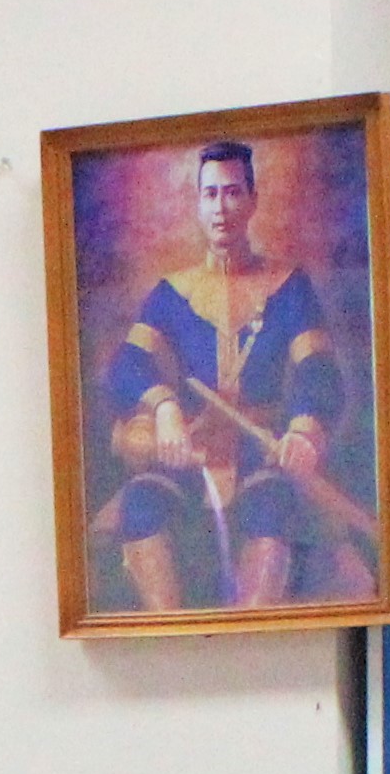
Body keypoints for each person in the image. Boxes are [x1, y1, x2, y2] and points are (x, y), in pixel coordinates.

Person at [96, 134, 374, 612]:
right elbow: (127, 365)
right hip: (191, 456)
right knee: (142, 504)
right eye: (210, 194)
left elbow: (319, 373)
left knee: (273, 508)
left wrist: (303, 433)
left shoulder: (290, 287)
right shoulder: (172, 292)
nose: (221, 207)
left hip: (260, 452)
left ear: (251, 201)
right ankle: (169, 647)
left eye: (231, 192)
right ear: (198, 206)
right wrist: (164, 409)